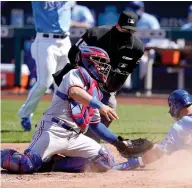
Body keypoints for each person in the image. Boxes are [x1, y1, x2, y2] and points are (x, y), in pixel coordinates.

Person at [1, 46, 152, 174]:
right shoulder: (75, 73)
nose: (104, 67)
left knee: (104, 161)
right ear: (87, 61)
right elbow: (75, 92)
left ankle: (53, 163)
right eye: (100, 62)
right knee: (25, 165)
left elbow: (95, 124)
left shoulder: (96, 91)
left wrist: (118, 142)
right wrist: (101, 106)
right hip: (53, 130)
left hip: (74, 137)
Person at [67, 11, 144, 140]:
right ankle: (65, 138)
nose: (127, 33)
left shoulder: (137, 48)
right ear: (117, 25)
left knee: (110, 107)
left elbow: (126, 72)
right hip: (83, 79)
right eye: (125, 29)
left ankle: (89, 144)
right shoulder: (96, 34)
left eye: (131, 30)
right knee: (73, 107)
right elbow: (72, 54)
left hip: (106, 85)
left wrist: (111, 88)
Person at [18, 1, 74, 131]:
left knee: (63, 84)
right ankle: (25, 113)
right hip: (45, 41)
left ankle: (58, 119)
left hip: (65, 41)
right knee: (44, 82)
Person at [123, 1, 160, 92]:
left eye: (137, 8)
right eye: (133, 9)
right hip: (130, 50)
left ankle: (132, 85)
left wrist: (147, 48)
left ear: (142, 9)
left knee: (142, 60)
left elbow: (158, 38)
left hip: (147, 50)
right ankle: (124, 86)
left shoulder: (150, 20)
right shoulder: (125, 19)